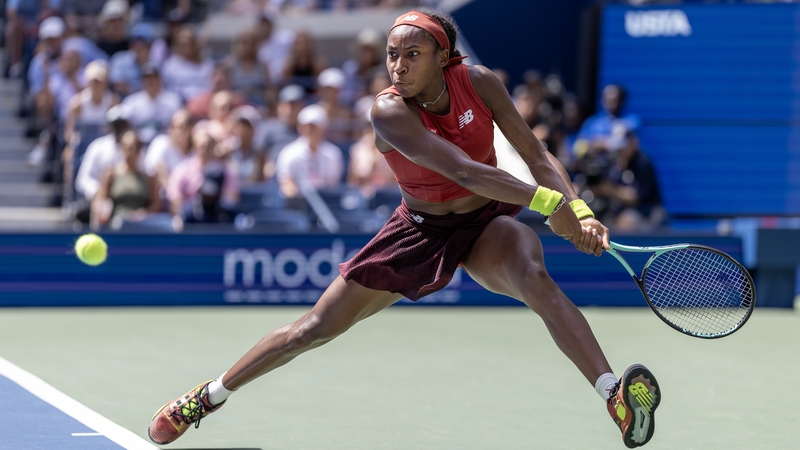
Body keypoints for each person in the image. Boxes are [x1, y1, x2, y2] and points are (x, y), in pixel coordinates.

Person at [147, 9, 661, 450]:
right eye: (392, 55)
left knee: (536, 279)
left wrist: (580, 209)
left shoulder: (478, 82)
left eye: (411, 54)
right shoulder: (388, 110)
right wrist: (549, 203)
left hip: (485, 223)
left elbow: (535, 153)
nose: (397, 65)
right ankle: (207, 397)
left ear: (443, 57)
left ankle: (613, 395)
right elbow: (462, 170)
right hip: (419, 229)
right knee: (312, 329)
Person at [91, 130, 161, 229]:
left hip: (142, 225)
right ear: (121, 149)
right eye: (127, 148)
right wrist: (103, 211)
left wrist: (143, 214)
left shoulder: (148, 178)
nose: (131, 152)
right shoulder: (110, 174)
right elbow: (100, 201)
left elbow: (155, 205)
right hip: (117, 225)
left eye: (135, 148)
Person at [275, 103, 343, 198]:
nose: (309, 130)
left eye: (314, 127)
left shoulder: (333, 154)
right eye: (306, 126)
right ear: (300, 127)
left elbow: (332, 185)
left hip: (326, 202)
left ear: (323, 128)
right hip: (297, 204)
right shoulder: (288, 153)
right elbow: (286, 183)